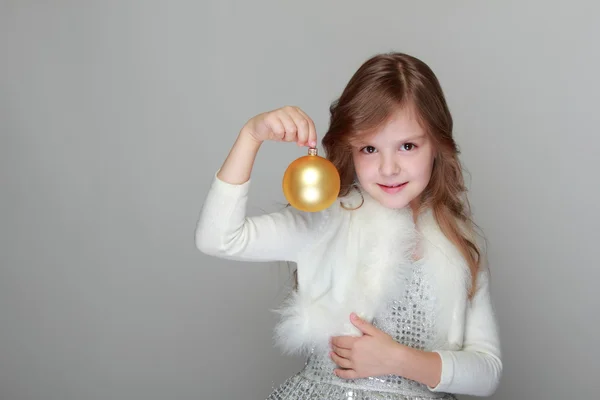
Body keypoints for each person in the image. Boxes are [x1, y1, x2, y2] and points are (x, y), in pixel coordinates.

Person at [195, 52, 502, 399]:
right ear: (351, 150)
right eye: (370, 148)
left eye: (407, 146)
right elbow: (218, 239)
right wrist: (251, 136)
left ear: (437, 145)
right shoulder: (328, 220)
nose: (389, 168)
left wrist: (398, 359)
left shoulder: (459, 243)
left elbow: (486, 371)